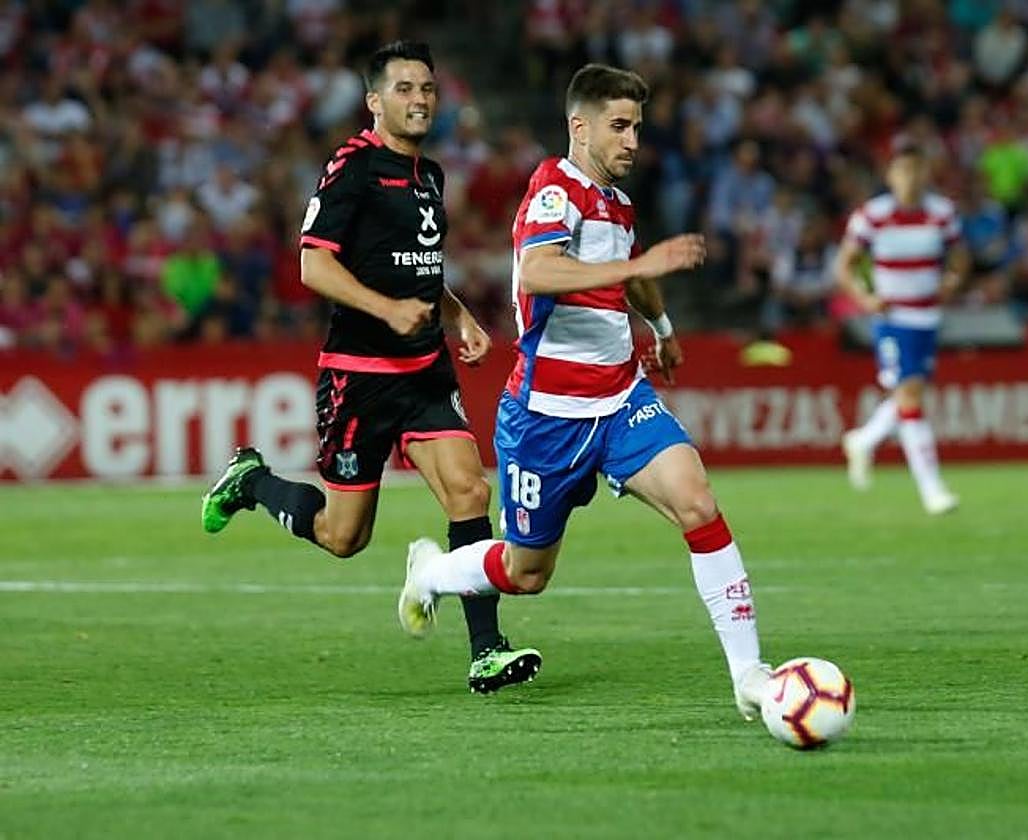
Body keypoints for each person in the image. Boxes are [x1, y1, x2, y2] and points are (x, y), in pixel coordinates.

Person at [396, 63, 774, 721]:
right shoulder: (554, 189)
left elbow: (631, 277)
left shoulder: (616, 204)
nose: (632, 140)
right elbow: (539, 272)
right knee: (527, 573)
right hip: (547, 417)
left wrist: (662, 327)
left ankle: (750, 676)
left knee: (697, 503)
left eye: (637, 127)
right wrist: (638, 264)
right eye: (619, 126)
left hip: (622, 399)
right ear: (580, 126)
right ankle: (431, 571)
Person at [199, 41, 540, 695]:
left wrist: (458, 313)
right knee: (343, 536)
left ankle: (487, 650)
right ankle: (253, 481)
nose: (420, 99)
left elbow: (417, 266)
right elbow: (314, 264)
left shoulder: (430, 175)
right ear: (374, 101)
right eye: (405, 89)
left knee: (470, 492)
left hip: (425, 369)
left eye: (427, 88)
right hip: (359, 375)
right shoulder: (352, 167)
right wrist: (386, 310)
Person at [835, 139, 968, 514]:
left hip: (928, 317)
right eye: (904, 170)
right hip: (892, 318)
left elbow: (960, 258)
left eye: (917, 169)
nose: (911, 177)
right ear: (890, 175)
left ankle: (863, 440)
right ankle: (933, 490)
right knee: (910, 397)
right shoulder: (872, 215)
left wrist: (952, 281)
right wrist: (864, 298)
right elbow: (845, 265)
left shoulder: (942, 213)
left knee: (909, 393)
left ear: (927, 173)